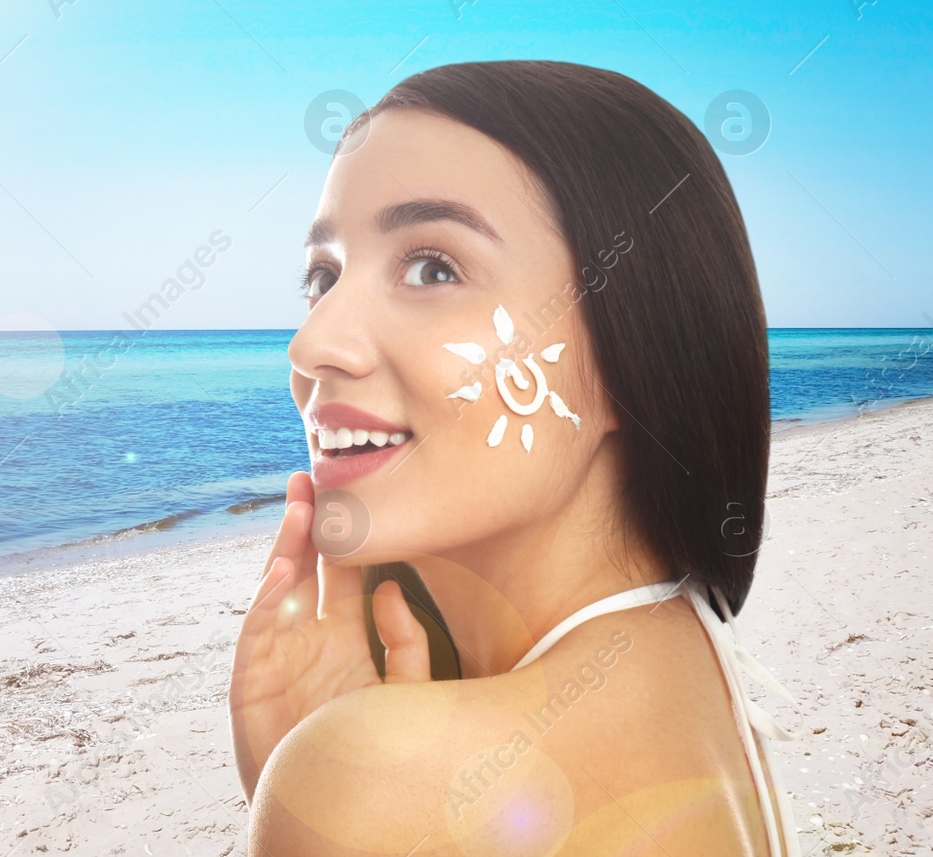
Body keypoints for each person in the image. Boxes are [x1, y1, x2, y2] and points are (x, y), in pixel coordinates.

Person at [230, 61, 801, 855]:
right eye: (322, 275)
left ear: (630, 355)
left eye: (433, 266)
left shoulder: (375, 793)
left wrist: (321, 792)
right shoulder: (694, 662)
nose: (312, 343)